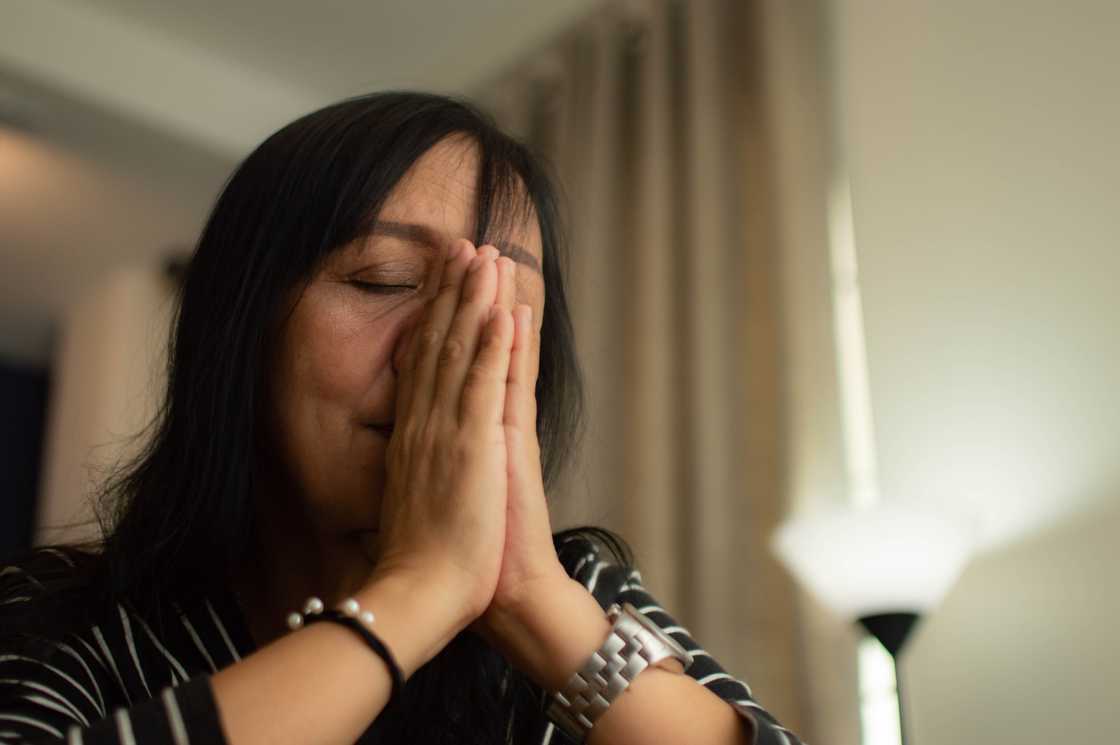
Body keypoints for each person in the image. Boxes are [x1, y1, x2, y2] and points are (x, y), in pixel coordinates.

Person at [0, 91, 805, 745]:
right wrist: (421, 590)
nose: (444, 352)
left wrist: (528, 596)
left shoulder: (576, 595)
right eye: (385, 280)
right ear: (240, 327)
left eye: (507, 310)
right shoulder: (62, 618)